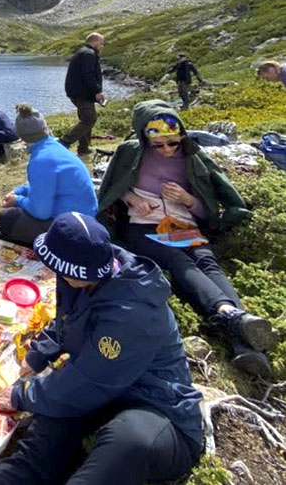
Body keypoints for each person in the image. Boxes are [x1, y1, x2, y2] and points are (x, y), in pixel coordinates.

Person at [0, 212, 203, 485]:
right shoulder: (83, 273)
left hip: (153, 407)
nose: (54, 273)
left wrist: (22, 395)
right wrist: (38, 355)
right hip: (96, 395)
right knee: (37, 453)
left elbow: (90, 381)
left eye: (58, 269)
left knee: (126, 442)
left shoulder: (130, 313)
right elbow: (68, 320)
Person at [97, 100, 275, 377]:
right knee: (180, 262)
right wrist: (132, 199)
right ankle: (235, 323)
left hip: (183, 223)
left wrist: (188, 200)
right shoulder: (129, 153)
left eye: (173, 143)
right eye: (159, 145)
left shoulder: (194, 156)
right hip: (143, 227)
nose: (167, 150)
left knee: (206, 261)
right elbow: (113, 188)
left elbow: (209, 210)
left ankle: (241, 338)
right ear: (145, 139)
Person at [0, 105, 97, 246]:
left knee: (5, 218)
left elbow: (41, 212)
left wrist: (17, 200)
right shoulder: (55, 147)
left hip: (73, 229)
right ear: (45, 127)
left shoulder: (40, 160)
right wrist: (21, 191)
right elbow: (46, 186)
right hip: (85, 216)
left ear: (22, 136)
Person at [59, 32, 104, 156]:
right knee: (89, 119)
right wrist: (97, 91)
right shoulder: (89, 54)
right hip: (82, 94)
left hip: (78, 92)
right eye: (101, 43)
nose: (102, 46)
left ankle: (84, 148)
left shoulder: (84, 52)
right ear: (94, 42)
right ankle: (64, 142)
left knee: (85, 118)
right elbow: (88, 75)